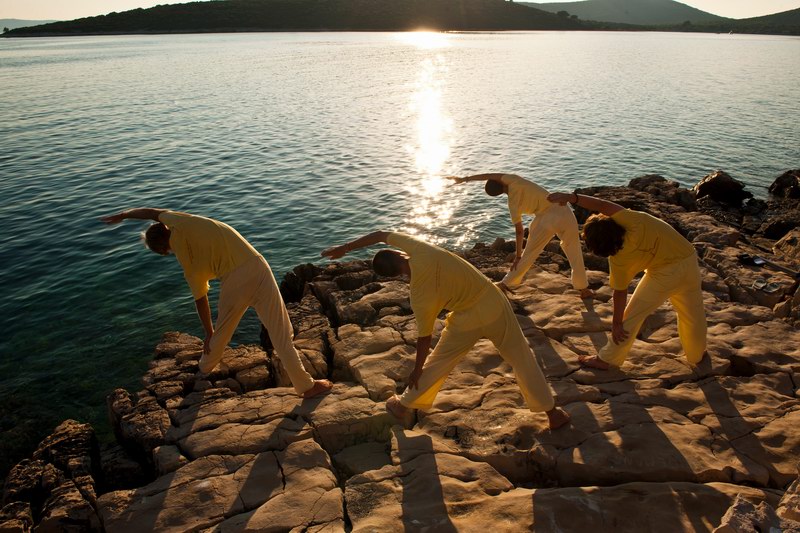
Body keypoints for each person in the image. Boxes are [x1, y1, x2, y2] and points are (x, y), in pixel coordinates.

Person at [321, 231, 571, 429]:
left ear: (393, 276)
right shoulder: (420, 248)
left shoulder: (418, 295)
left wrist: (417, 370)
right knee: (521, 358)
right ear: (399, 252)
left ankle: (404, 404)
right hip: (491, 302)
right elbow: (379, 234)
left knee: (439, 359)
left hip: (465, 320)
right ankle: (552, 413)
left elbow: (424, 338)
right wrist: (345, 248)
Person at [100, 208, 332, 398]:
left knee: (221, 334)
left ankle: (204, 368)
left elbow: (201, 300)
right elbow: (151, 212)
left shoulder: (188, 265)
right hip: (256, 264)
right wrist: (125, 214)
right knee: (281, 332)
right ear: (165, 227)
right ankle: (305, 386)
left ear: (163, 250)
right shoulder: (182, 221)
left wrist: (209, 332)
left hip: (233, 282)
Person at [547, 192, 707, 370]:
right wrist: (571, 198)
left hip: (665, 275)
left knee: (631, 317)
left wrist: (616, 324)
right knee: (693, 315)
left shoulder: (618, 260)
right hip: (688, 257)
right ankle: (697, 354)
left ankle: (606, 359)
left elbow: (620, 292)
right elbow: (601, 204)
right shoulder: (631, 220)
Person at [449, 173, 593, 298]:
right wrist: (465, 179)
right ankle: (584, 289)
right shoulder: (514, 180)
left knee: (528, 254)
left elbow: (519, 231)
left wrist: (518, 256)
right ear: (500, 181)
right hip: (560, 209)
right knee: (573, 248)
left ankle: (504, 283)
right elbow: (488, 175)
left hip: (543, 220)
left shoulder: (512, 204)